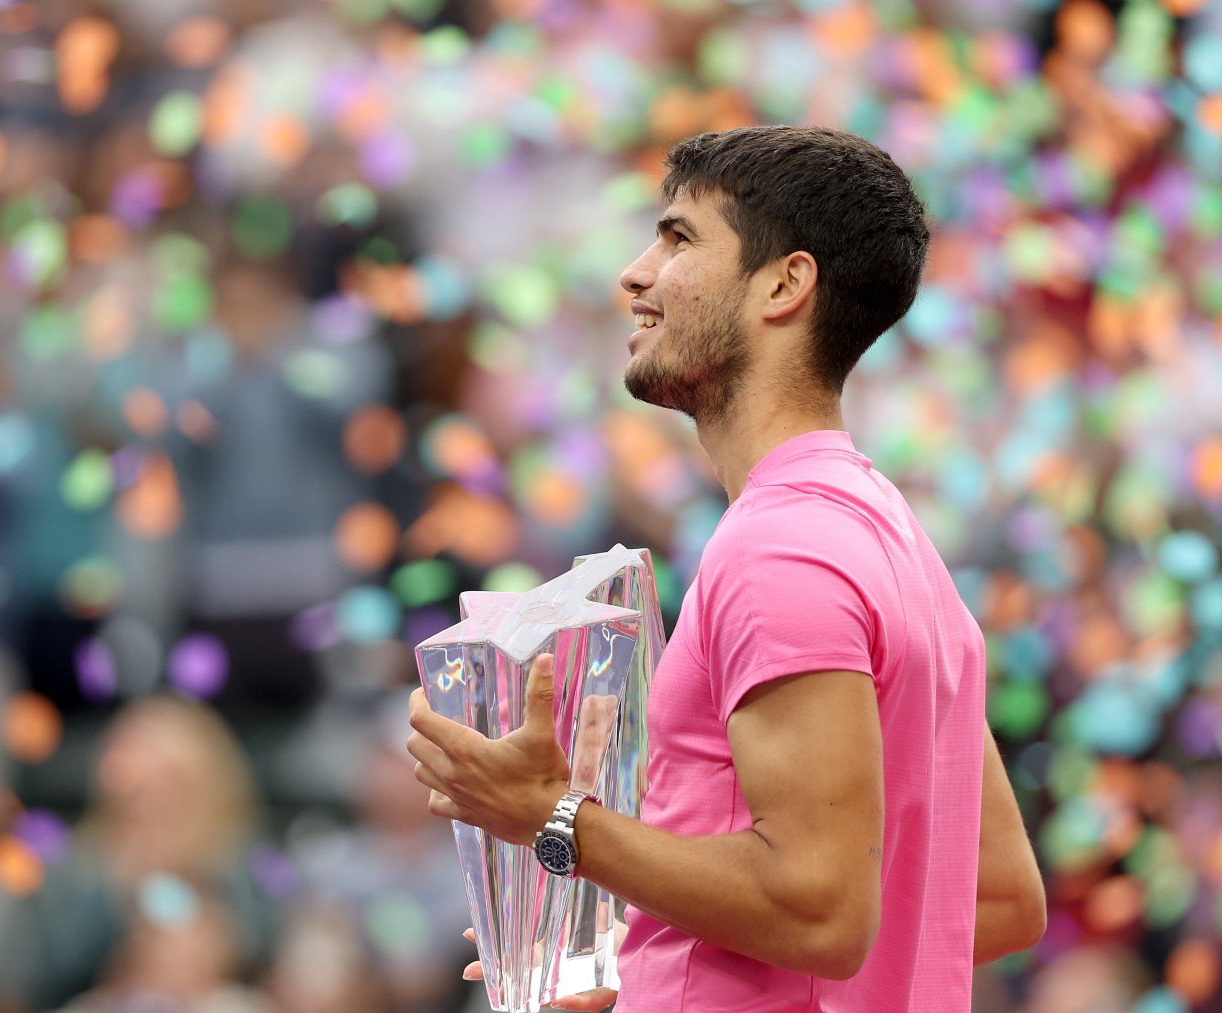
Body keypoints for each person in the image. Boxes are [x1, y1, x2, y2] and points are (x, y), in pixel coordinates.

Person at [406, 125, 1047, 1011]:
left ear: (784, 284)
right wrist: (649, 957)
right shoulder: (887, 535)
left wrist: (552, 820)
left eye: (678, 239)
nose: (634, 274)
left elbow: (821, 913)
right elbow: (996, 899)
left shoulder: (780, 550)